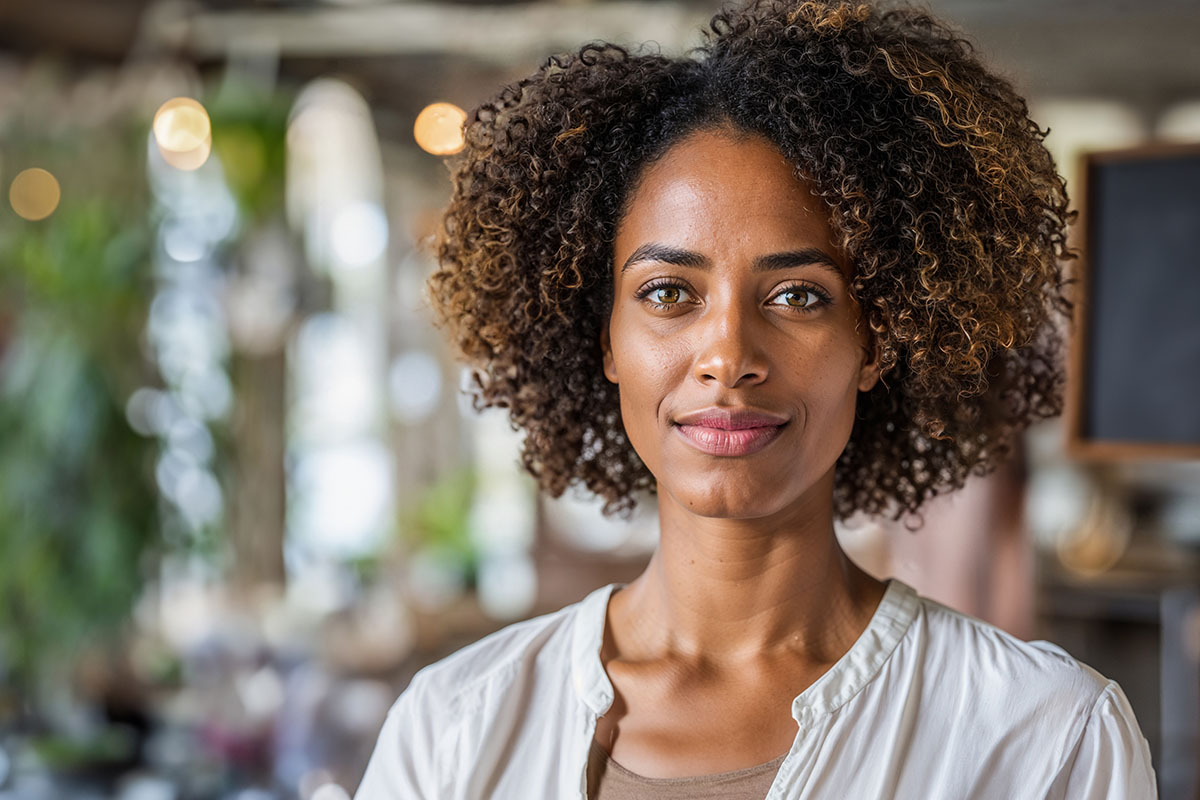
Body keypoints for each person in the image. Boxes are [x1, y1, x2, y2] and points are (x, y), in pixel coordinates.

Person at [355, 0, 1157, 797]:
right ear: (605, 339)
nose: (729, 357)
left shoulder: (1044, 739)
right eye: (669, 292)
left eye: (799, 297)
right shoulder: (452, 726)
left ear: (875, 341)